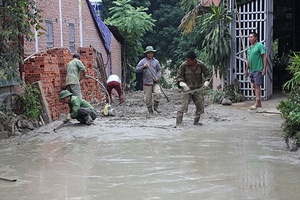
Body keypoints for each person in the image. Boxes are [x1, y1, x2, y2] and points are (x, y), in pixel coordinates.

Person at [176, 51, 210, 126]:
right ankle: (178, 124)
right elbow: (179, 77)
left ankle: (196, 122)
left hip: (198, 88)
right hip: (187, 89)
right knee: (183, 106)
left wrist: (206, 82)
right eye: (186, 60)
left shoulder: (201, 65)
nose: (187, 62)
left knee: (200, 105)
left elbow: (207, 75)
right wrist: (183, 84)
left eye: (189, 61)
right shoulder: (183, 65)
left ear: (194, 60)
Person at [136, 46, 162, 114]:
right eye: (148, 53)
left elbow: (159, 70)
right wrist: (143, 67)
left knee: (158, 93)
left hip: (155, 82)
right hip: (147, 82)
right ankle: (150, 111)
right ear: (146, 54)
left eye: (151, 53)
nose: (150, 54)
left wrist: (157, 77)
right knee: (148, 98)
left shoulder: (156, 61)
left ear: (153, 53)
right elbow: (137, 70)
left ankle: (156, 107)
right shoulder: (142, 61)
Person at [245, 32, 267, 109]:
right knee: (254, 85)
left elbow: (264, 56)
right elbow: (248, 60)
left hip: (258, 68)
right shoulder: (249, 47)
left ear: (255, 38)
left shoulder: (260, 45)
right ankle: (258, 102)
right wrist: (246, 69)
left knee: (257, 86)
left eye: (251, 37)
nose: (250, 39)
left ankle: (257, 102)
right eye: (249, 37)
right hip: (252, 69)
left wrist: (264, 68)